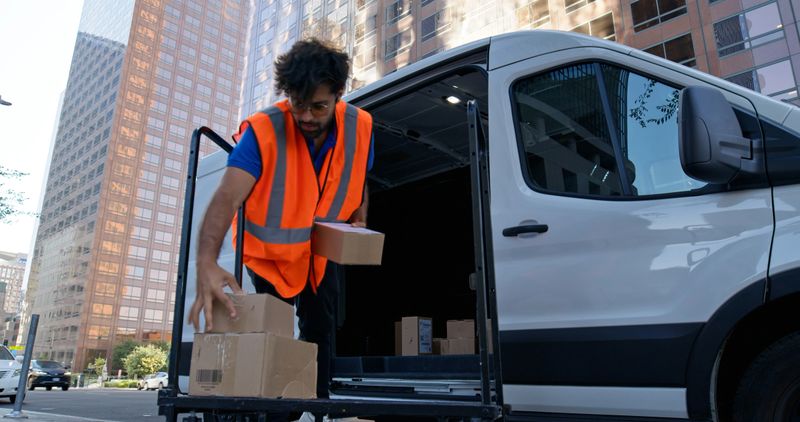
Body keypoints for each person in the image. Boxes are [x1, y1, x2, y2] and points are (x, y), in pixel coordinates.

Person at [187, 39, 374, 401]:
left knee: (321, 328)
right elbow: (226, 197)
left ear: (338, 95)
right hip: (269, 255)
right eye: (298, 105)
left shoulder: (360, 127)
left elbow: (360, 173)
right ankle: (276, 405)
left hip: (319, 254)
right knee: (272, 330)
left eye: (318, 106)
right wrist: (206, 260)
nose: (306, 116)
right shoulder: (263, 132)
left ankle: (317, 403)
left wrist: (360, 213)